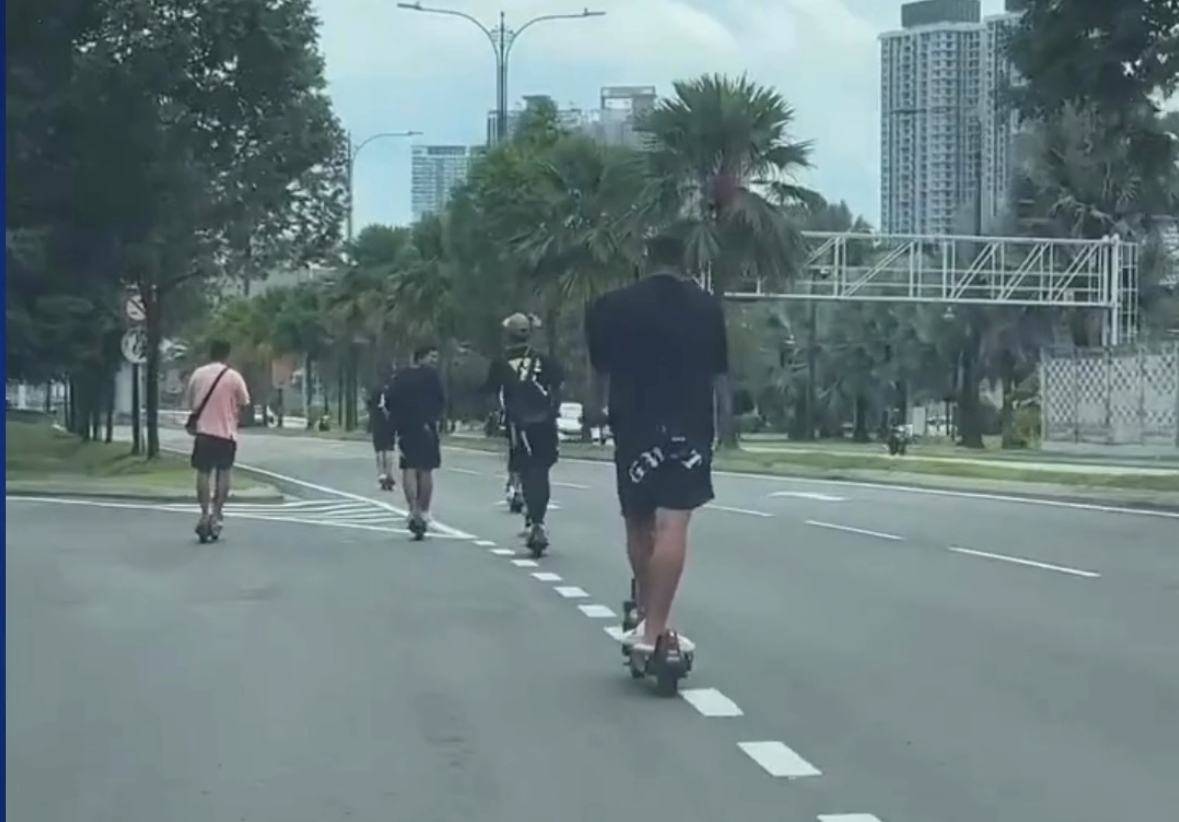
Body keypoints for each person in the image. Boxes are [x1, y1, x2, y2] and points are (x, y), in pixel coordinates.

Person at [584, 233, 728, 656]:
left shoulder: (611, 307)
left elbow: (597, 373)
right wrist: (724, 423)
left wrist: (594, 413)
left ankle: (651, 620)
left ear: (646, 260)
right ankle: (656, 627)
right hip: (690, 424)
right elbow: (720, 376)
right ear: (687, 260)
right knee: (673, 525)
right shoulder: (706, 308)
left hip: (634, 424)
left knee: (639, 522)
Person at [484, 313, 564, 547]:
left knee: (527, 470)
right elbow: (558, 386)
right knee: (541, 471)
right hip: (545, 423)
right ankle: (537, 520)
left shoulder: (500, 363)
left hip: (519, 424)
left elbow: (491, 394)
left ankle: (534, 521)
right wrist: (552, 411)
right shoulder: (545, 360)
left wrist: (497, 418)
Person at [184, 339, 250, 535]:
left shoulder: (198, 374)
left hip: (204, 433)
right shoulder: (234, 377)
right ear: (227, 355)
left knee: (203, 473)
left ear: (209, 353)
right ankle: (217, 514)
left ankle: (204, 514)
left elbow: (191, 403)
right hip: (226, 433)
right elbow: (244, 402)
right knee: (224, 473)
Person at [387, 344, 446, 532]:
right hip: (427, 426)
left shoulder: (400, 376)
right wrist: (433, 418)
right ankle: (424, 509)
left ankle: (413, 509)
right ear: (420, 358)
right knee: (426, 469)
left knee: (409, 468)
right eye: (432, 357)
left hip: (405, 428)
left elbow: (389, 401)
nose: (434, 361)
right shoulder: (432, 377)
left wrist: (397, 421)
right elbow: (441, 400)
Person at [368, 365, 397, 490]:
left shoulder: (376, 389)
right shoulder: (393, 389)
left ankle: (381, 474)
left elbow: (370, 404)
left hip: (378, 421)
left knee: (379, 449)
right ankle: (389, 472)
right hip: (390, 421)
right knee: (389, 448)